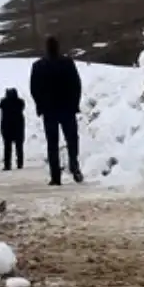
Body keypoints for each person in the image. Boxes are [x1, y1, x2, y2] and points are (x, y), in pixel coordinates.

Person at [29, 36, 83, 186]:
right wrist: (74, 103)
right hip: (67, 109)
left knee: (52, 144)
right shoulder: (67, 63)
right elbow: (76, 85)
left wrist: (40, 105)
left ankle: (55, 177)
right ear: (58, 48)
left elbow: (34, 89)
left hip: (49, 110)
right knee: (72, 139)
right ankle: (73, 162)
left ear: (46, 48)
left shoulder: (38, 66)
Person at [0, 88, 26, 170]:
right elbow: (22, 106)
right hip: (18, 126)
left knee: (7, 147)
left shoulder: (4, 102)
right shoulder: (20, 102)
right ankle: (20, 163)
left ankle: (7, 165)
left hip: (7, 126)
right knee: (19, 146)